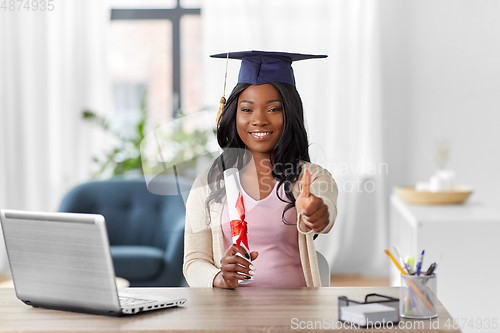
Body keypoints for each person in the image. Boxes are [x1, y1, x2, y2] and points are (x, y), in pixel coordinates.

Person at [183, 51, 338, 288]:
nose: (259, 120)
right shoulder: (209, 183)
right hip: (229, 316)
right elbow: (194, 261)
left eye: (273, 109)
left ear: (289, 114)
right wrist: (219, 277)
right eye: (247, 109)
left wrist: (316, 212)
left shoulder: (311, 177)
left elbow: (324, 211)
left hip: (294, 313)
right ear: (232, 114)